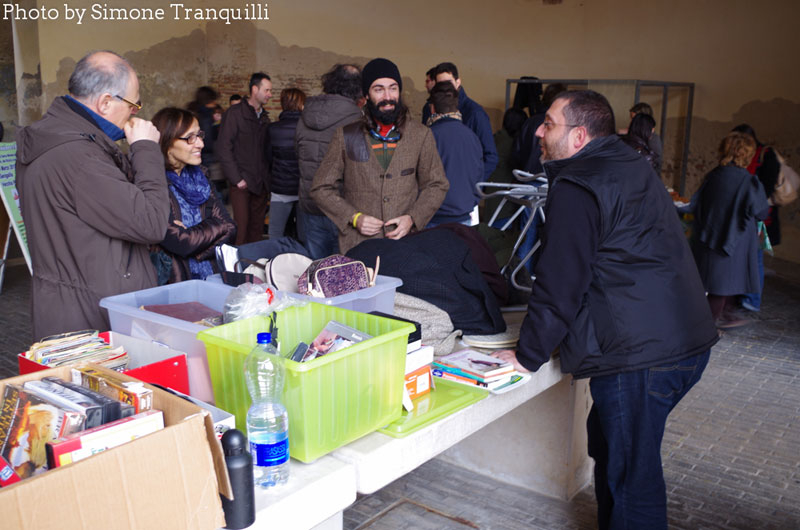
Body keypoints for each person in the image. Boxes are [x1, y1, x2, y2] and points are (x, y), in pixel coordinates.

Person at [493, 90, 718, 529]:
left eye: (550, 124)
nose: (538, 130)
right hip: (682, 339)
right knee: (611, 449)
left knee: (634, 481)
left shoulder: (579, 184)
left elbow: (560, 283)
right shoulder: (627, 161)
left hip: (641, 356)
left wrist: (526, 356)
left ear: (578, 136)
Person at [15, 50, 170, 339]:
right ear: (105, 102)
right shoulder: (80, 158)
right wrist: (146, 149)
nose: (135, 112)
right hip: (91, 319)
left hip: (66, 304)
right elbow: (151, 222)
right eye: (133, 104)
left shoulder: (54, 138)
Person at [310, 57, 449, 254]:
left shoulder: (421, 135)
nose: (388, 96)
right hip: (357, 245)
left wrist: (413, 218)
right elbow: (320, 188)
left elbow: (437, 184)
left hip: (405, 243)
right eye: (378, 89)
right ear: (366, 95)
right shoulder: (346, 136)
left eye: (393, 88)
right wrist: (354, 217)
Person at [691, 131, 770, 327]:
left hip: (709, 236)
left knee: (720, 284)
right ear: (746, 155)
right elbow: (761, 212)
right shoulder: (749, 182)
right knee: (722, 286)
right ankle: (705, 328)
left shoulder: (713, 175)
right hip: (734, 241)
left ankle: (723, 317)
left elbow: (696, 203)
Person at [150, 107, 236, 283]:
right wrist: (212, 227)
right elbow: (180, 241)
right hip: (174, 281)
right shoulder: (152, 183)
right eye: (190, 138)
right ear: (167, 143)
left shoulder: (200, 178)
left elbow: (230, 227)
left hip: (211, 276)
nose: (200, 144)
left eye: (199, 135)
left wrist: (192, 242)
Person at [295, 64, 364, 258]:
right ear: (359, 89)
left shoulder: (305, 114)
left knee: (313, 273)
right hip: (342, 208)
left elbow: (297, 153)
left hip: (309, 204)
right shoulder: (357, 119)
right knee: (342, 275)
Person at [217, 72, 272, 245]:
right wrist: (237, 179)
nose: (270, 94)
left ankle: (253, 266)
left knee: (256, 230)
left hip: (260, 184)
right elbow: (224, 147)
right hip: (241, 183)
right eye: (267, 90)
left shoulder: (264, 117)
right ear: (255, 90)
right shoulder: (234, 114)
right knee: (240, 230)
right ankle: (237, 269)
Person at [732, 123, 782, 313]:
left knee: (755, 257)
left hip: (759, 215)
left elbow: (767, 187)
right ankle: (742, 295)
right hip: (747, 211)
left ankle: (752, 299)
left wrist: (752, 202)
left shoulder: (766, 155)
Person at [426, 81, 483, 227]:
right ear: (456, 106)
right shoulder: (472, 137)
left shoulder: (428, 137)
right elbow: (478, 176)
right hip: (464, 216)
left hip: (433, 217)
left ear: (432, 108)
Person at [432, 62, 498, 182]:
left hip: (465, 191)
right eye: (441, 84)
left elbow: (491, 156)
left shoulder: (475, 113)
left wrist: (473, 185)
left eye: (449, 82)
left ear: (458, 82)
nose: (446, 88)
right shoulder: (431, 109)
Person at [268, 88, 305, 239]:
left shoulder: (272, 129)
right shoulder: (308, 129)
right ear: (301, 104)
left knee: (275, 233)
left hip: (280, 189)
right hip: (303, 190)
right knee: (305, 236)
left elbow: (268, 158)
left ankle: (274, 262)